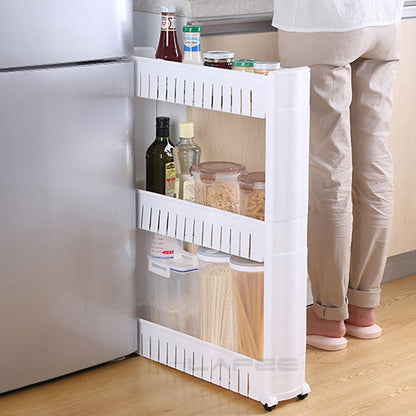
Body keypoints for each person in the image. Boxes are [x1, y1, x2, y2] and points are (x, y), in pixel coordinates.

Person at [272, 0, 405, 351]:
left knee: (329, 168)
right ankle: (363, 308)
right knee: (373, 161)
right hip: (385, 20)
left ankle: (327, 317)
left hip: (324, 20)